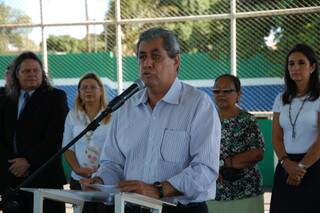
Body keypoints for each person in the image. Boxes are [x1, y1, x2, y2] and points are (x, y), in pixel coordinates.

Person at [81, 27, 221, 213]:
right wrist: (100, 182)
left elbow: (205, 169)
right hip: (129, 208)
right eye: (142, 57)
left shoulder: (198, 105)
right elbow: (113, 163)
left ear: (176, 61)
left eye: (155, 56)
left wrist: (158, 190)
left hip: (179, 208)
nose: (147, 63)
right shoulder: (126, 107)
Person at [0, 51, 68, 213]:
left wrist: (28, 161)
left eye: (36, 70)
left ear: (42, 74)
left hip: (45, 177)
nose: (32, 74)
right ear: (17, 75)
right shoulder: (6, 99)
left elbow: (56, 136)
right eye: (26, 71)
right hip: (12, 180)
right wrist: (11, 164)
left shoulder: (55, 97)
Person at [270, 44, 320, 213]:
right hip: (286, 165)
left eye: (301, 63)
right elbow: (276, 137)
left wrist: (300, 169)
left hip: (312, 167)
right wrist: (286, 163)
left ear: (312, 67)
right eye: (291, 64)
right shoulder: (280, 98)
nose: (295, 68)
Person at [207, 74, 264, 213]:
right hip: (213, 193)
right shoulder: (205, 120)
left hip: (245, 193)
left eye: (227, 91)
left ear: (238, 94)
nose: (221, 95)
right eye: (216, 91)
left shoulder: (247, 120)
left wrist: (222, 163)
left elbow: (256, 154)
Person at [62, 72, 112, 213]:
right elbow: (67, 147)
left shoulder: (113, 115)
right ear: (79, 92)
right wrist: (77, 169)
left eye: (92, 87)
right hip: (79, 179)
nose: (88, 90)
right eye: (84, 88)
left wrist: (101, 172)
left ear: (101, 90)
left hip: (105, 180)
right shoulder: (73, 115)